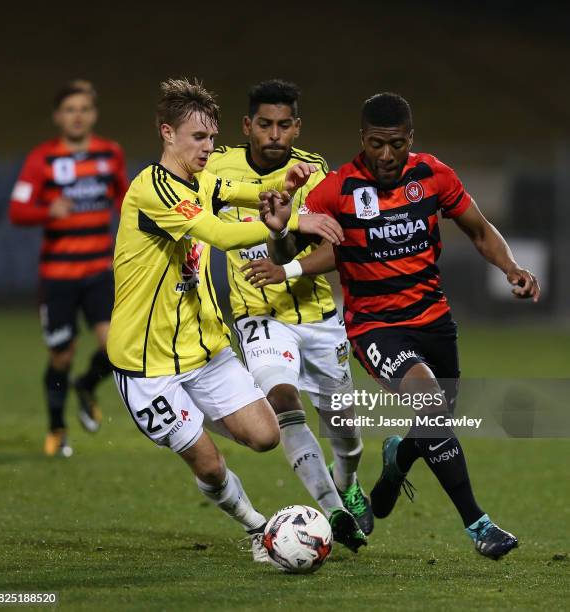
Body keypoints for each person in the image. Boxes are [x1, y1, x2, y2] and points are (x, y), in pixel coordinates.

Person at [254, 92, 540, 560]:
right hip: (375, 326)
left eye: (395, 144)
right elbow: (287, 254)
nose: (386, 155)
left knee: (436, 421)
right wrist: (282, 228)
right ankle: (479, 525)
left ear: (411, 139)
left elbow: (480, 230)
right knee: (430, 406)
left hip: (434, 319)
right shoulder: (336, 189)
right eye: (375, 144)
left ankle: (396, 462)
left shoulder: (433, 175)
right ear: (361, 139)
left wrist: (511, 268)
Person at [106, 77, 357, 561]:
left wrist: (288, 195)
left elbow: (246, 188)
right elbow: (217, 232)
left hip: (203, 350)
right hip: (147, 362)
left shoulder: (202, 180)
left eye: (212, 139)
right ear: (167, 134)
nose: (208, 147)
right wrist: (279, 222)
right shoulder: (152, 189)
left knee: (265, 436)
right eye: (198, 138)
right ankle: (259, 530)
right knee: (211, 465)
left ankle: (193, 419)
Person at [206, 79, 371, 544]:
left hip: (317, 315)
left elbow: (340, 251)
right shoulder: (218, 170)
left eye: (283, 125)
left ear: (296, 127)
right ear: (247, 126)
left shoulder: (315, 173)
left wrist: (287, 267)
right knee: (282, 401)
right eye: (265, 125)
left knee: (346, 433)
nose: (274, 134)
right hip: (258, 316)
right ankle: (334, 512)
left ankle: (348, 478)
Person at [9, 80, 129, 456]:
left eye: (84, 109)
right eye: (70, 109)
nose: (78, 116)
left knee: (117, 347)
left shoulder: (110, 154)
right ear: (58, 117)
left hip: (98, 272)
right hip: (58, 278)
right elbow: (17, 210)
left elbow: (126, 200)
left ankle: (87, 386)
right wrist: (48, 211)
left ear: (93, 115)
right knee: (61, 354)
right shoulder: (41, 159)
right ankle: (57, 428)